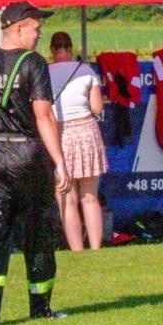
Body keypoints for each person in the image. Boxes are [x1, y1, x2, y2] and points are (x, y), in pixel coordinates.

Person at [0, 1, 69, 325]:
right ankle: (41, 308)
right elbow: (44, 115)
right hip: (28, 155)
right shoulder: (33, 63)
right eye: (36, 28)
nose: (40, 33)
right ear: (18, 28)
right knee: (37, 233)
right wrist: (59, 161)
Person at [47, 31, 107, 251]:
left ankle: (76, 250)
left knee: (67, 198)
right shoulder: (86, 71)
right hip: (86, 132)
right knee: (90, 197)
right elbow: (97, 108)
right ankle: (96, 248)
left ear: (52, 50)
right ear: (71, 48)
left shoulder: (43, 72)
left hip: (58, 135)